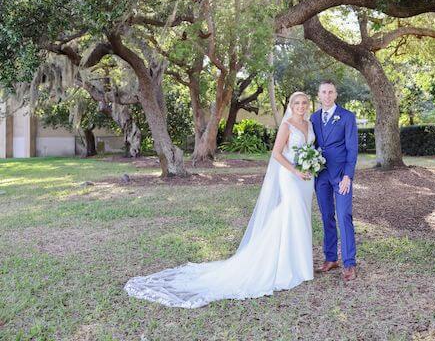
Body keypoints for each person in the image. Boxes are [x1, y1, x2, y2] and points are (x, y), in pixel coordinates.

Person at [124, 92, 316, 308]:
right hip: (290, 177)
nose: (301, 106)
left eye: (304, 103)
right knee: (291, 213)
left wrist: (311, 164)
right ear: (291, 105)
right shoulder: (287, 125)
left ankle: (299, 265)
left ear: (308, 105)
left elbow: (310, 150)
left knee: (299, 216)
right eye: (297, 103)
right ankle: (285, 266)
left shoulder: (310, 124)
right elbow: (277, 154)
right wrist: (296, 171)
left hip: (306, 178)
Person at [310, 80, 359, 281]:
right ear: (319, 95)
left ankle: (349, 263)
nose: (327, 95)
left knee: (344, 216)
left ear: (336, 94)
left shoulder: (347, 117)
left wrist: (348, 175)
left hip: (341, 177)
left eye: (331, 92)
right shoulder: (313, 118)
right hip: (320, 175)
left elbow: (352, 149)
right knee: (326, 216)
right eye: (324, 92)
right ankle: (331, 258)